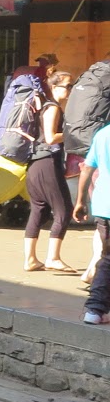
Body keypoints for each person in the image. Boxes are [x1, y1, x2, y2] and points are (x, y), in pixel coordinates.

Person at [25, 72, 75, 274]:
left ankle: (30, 259)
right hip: (47, 163)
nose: (70, 90)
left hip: (36, 164)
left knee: (39, 210)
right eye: (67, 86)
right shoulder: (52, 107)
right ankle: (53, 258)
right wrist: (72, 133)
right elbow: (51, 137)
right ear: (54, 87)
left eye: (71, 86)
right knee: (64, 210)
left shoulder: (46, 106)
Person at [76, 122, 110, 324]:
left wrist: (80, 200)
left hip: (104, 205)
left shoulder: (102, 134)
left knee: (107, 258)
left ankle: (95, 310)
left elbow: (87, 168)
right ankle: (96, 307)